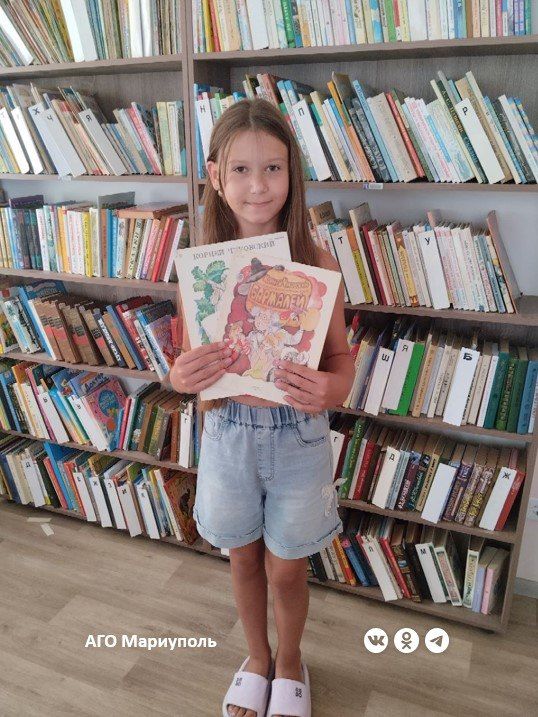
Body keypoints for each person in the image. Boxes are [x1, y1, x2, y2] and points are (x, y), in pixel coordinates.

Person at [169, 98, 355, 717]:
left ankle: (291, 660)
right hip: (227, 433)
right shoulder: (200, 271)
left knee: (287, 569)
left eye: (272, 168)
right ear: (216, 177)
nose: (258, 185)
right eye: (241, 170)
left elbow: (341, 360)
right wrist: (180, 377)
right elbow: (188, 363)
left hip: (298, 435)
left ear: (291, 173)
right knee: (242, 557)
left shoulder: (318, 263)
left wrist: (332, 390)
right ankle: (257, 656)